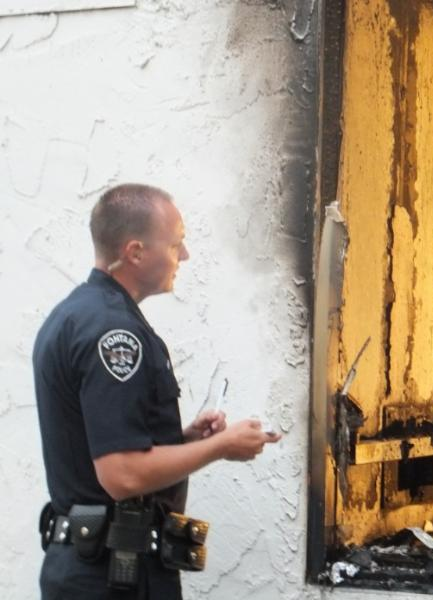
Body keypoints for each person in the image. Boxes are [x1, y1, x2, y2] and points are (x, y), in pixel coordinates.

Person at [33, 184, 281, 599]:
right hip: (113, 580)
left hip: (96, 570)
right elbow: (122, 474)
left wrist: (183, 440)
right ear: (135, 252)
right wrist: (222, 448)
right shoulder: (115, 334)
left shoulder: (79, 315)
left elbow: (99, 449)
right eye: (176, 244)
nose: (183, 256)